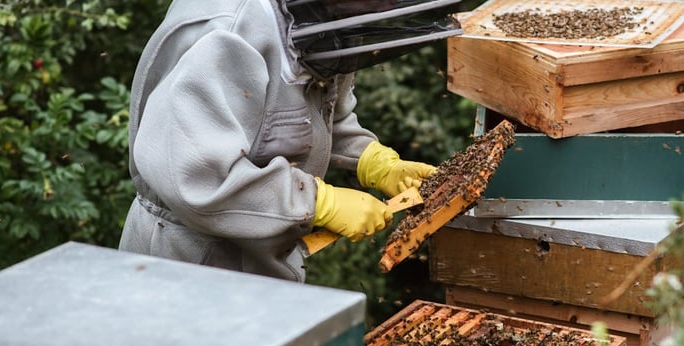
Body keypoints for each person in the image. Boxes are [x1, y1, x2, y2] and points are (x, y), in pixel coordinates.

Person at [119, 0, 462, 282]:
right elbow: (197, 176)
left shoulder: (327, 21)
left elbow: (311, 116)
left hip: (260, 264)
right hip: (186, 266)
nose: (385, 7)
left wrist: (372, 160)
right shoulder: (229, 30)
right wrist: (317, 202)